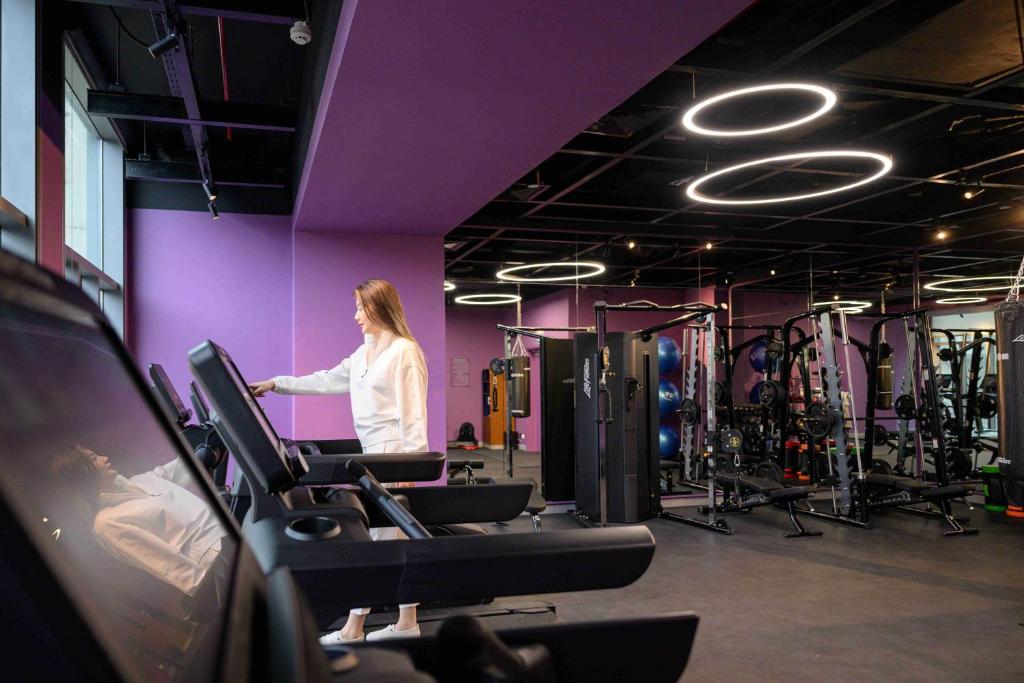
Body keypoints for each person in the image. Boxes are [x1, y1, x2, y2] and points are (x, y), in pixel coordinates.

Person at [249, 278, 429, 644]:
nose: (356, 315)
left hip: (394, 452)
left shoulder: (404, 351)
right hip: (371, 452)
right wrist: (276, 383)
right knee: (390, 540)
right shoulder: (363, 354)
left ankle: (354, 628)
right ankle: (406, 621)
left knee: (376, 541)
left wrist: (413, 463)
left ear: (379, 308)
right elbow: (326, 380)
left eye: (362, 308)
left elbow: (414, 413)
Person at [47, 445, 227, 597]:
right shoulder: (107, 522)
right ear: (82, 474)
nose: (104, 458)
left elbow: (186, 465)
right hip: (219, 561)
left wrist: (213, 441)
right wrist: (221, 588)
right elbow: (167, 565)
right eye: (94, 458)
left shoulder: (141, 481)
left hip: (230, 534)